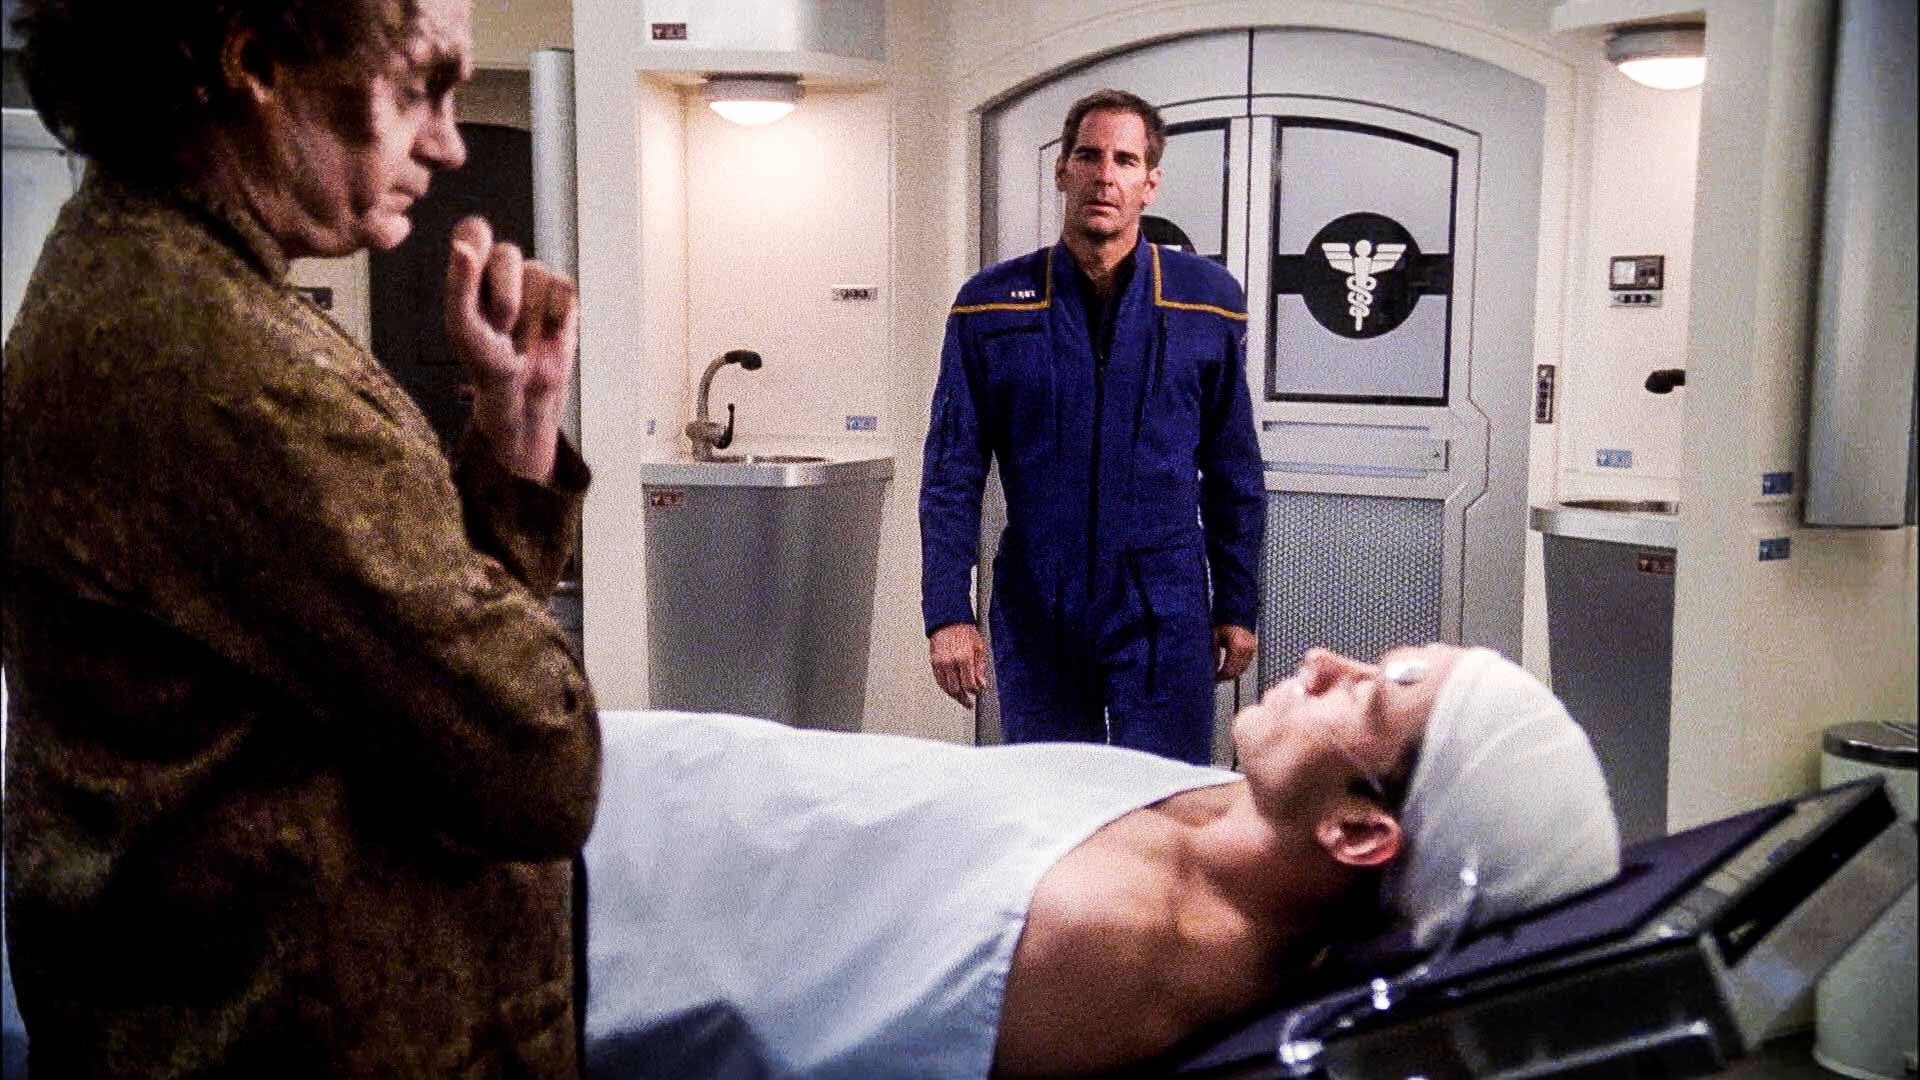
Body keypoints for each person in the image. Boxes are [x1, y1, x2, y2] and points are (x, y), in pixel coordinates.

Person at [1, 0, 600, 1074]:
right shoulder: (224, 368)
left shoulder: (140, 283)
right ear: (256, 60)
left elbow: (395, 687)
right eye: (418, 88)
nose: (450, 144)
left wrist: (516, 428)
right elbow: (539, 758)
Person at [583, 643, 1620, 1078]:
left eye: (1370, 695)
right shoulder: (1228, 812)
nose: (1321, 663)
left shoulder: (1113, 944)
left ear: (1358, 833)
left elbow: (759, 1005)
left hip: (601, 888)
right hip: (665, 775)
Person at [920, 87, 1265, 765]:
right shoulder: (991, 306)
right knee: (1052, 796)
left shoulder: (1206, 302)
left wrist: (1236, 603)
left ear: (1150, 183)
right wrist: (948, 613)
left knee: (1161, 794)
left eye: (1125, 160)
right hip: (1038, 601)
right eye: (1089, 156)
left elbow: (1234, 471)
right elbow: (951, 473)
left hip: (1162, 602)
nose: (1105, 175)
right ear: (1062, 171)